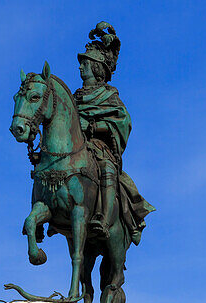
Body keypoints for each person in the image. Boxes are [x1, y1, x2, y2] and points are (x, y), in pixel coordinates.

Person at [74, 23, 154, 245]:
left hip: (101, 148)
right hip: (77, 148)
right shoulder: (74, 98)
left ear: (97, 68)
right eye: (81, 64)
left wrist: (93, 127)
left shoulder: (109, 97)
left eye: (86, 63)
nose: (81, 68)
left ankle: (104, 218)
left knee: (107, 168)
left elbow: (123, 123)